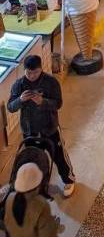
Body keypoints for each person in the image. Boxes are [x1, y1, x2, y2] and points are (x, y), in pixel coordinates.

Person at [8, 55, 76, 197]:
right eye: (29, 72)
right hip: (29, 130)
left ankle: (69, 180)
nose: (32, 76)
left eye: (36, 72)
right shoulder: (19, 85)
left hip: (50, 127)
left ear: (41, 69)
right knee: (33, 159)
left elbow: (58, 104)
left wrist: (42, 102)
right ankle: (37, 185)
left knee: (59, 156)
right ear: (24, 70)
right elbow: (10, 107)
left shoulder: (51, 82)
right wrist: (20, 99)